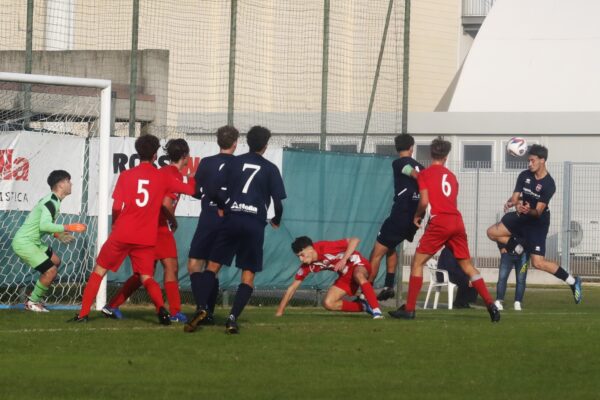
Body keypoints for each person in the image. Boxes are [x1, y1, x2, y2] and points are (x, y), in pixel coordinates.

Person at [69, 134, 195, 324]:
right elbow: (190, 191)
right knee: (147, 276)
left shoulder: (126, 175)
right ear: (155, 155)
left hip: (123, 232)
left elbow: (117, 207)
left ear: (138, 154)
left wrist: (115, 226)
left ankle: (83, 314)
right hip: (145, 236)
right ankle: (162, 309)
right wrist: (193, 180)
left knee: (99, 271)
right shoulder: (161, 177)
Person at [184, 125, 286, 334]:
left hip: (232, 219)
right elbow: (278, 202)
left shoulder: (235, 162)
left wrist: (222, 207)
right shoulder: (270, 168)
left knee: (212, 267)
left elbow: (213, 189)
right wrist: (276, 218)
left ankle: (203, 307)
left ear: (246, 142)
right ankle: (231, 318)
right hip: (254, 224)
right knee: (247, 275)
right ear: (265, 146)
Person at [388, 137, 500, 322]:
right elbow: (451, 202)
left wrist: (417, 216)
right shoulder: (452, 177)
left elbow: (424, 201)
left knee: (417, 263)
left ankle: (409, 309)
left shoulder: (426, 174)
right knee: (467, 266)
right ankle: (490, 304)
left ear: (431, 154)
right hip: (456, 221)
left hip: (439, 223)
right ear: (446, 156)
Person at [486, 144, 582, 304]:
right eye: (528, 160)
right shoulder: (524, 175)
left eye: (532, 160)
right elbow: (515, 197)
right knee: (491, 232)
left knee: (538, 263)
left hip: (537, 223)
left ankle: (573, 282)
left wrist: (525, 209)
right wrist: (512, 203)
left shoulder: (549, 184)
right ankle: (518, 247)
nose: (529, 164)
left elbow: (538, 212)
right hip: (522, 216)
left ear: (542, 160)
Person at [11, 170, 86, 312]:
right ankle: (32, 302)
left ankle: (35, 296)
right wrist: (69, 227)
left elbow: (43, 225)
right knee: (51, 271)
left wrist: (58, 235)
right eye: (69, 181)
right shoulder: (50, 202)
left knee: (56, 262)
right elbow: (44, 225)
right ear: (61, 184)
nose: (71, 184)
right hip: (24, 242)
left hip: (34, 241)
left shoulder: (54, 200)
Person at [187, 125, 239, 325]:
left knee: (194, 265)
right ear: (235, 143)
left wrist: (205, 193)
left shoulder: (206, 163)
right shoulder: (239, 164)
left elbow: (196, 191)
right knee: (212, 268)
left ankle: (202, 307)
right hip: (227, 219)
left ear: (218, 141)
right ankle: (207, 311)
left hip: (208, 219)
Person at [368, 133, 424, 301]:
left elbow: (411, 173)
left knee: (376, 253)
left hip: (401, 214)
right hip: (415, 216)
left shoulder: (399, 163)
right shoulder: (421, 165)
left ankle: (366, 293)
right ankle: (388, 286)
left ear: (397, 148)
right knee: (390, 247)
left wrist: (417, 176)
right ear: (411, 147)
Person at [276, 236, 383, 319]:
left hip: (357, 264)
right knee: (328, 303)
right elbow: (292, 288)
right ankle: (364, 306)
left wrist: (344, 259)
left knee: (358, 275)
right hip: (345, 275)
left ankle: (377, 311)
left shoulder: (325, 247)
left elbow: (355, 240)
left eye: (301, 254)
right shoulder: (307, 266)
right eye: (298, 256)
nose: (300, 259)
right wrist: (279, 313)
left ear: (309, 249)